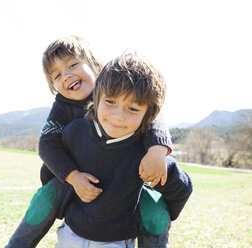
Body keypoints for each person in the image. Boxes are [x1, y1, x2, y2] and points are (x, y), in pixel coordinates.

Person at [5, 36, 173, 248]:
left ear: (94, 65)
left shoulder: (115, 87)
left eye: (73, 65)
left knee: (154, 210)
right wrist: (73, 177)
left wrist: (157, 149)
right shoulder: (62, 107)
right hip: (70, 177)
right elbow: (47, 144)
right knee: (43, 200)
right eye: (56, 75)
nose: (66, 76)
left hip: (122, 181)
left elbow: (151, 110)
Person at [55, 52, 193, 247]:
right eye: (110, 101)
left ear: (149, 114)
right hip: (70, 235)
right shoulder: (74, 132)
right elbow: (52, 171)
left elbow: (182, 189)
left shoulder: (148, 153)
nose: (118, 116)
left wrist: (159, 212)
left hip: (117, 241)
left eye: (133, 109)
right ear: (96, 97)